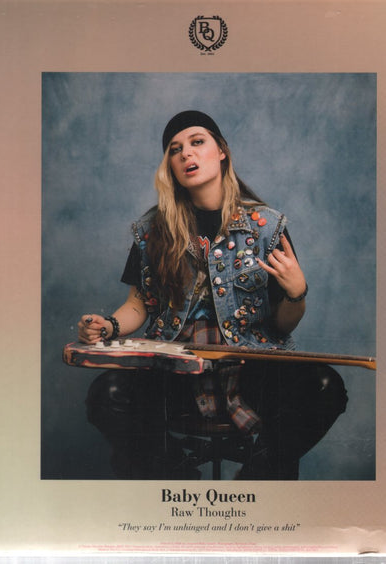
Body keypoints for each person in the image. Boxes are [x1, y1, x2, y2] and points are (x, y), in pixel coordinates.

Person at [78, 111, 348, 480]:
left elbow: (283, 324)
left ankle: (255, 482)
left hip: (252, 369)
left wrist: (297, 293)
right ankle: (177, 478)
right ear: (170, 166)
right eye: (175, 150)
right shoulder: (153, 230)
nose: (186, 154)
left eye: (197, 142)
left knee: (324, 387)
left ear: (221, 151)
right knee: (106, 394)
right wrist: (108, 325)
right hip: (173, 371)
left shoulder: (266, 227)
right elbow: (138, 305)